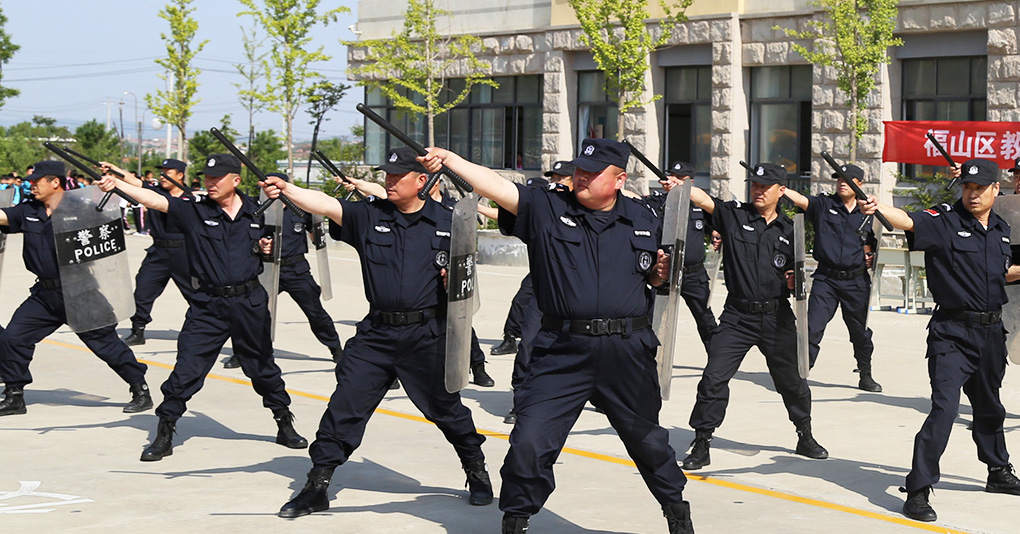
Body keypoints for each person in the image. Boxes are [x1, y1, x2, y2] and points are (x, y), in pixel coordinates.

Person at [421, 139, 694, 534]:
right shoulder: (549, 207)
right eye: (579, 169)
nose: (580, 176)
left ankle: (677, 513)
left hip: (626, 351)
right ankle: (516, 520)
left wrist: (660, 275)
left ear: (619, 179)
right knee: (530, 444)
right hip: (561, 351)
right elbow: (497, 187)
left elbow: (651, 275)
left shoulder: (644, 217)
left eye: (592, 172)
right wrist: (452, 159)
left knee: (649, 443)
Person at [269, 147, 492, 519]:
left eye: (396, 176)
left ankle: (476, 469)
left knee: (445, 410)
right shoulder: (368, 216)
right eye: (386, 176)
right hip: (376, 335)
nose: (388, 182)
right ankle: (318, 484)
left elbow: (467, 287)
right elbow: (325, 204)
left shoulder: (450, 221)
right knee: (345, 408)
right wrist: (287, 188)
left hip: (427, 334)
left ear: (422, 181)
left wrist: (453, 282)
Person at [96, 154, 306, 462]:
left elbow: (269, 242)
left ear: (235, 180)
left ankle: (283, 422)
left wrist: (264, 248)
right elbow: (155, 201)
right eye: (206, 178)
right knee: (186, 370)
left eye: (217, 178)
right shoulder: (194, 211)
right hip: (208, 305)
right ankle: (165, 432)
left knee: (262, 367)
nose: (209, 183)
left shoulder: (257, 211)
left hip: (249, 302)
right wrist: (117, 185)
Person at [858, 158, 1020, 522]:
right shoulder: (945, 220)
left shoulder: (1001, 228)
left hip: (991, 332)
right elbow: (908, 220)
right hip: (952, 333)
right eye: (967, 187)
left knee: (990, 407)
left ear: (997, 189)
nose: (973, 193)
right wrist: (880, 207)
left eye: (980, 188)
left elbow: (1001, 273)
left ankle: (997, 471)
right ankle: (918, 489)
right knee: (944, 409)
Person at [680, 163, 827, 472]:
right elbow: (703, 200)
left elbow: (798, 273)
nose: (758, 191)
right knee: (713, 378)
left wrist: (793, 279)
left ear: (781, 191)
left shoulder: (791, 229)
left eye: (765, 186)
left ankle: (805, 434)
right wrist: (681, 185)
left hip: (777, 316)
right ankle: (702, 441)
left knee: (793, 380)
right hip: (738, 317)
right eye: (755, 185)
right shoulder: (734, 216)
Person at [0, 160, 152, 416]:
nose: (31, 185)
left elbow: (109, 216)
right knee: (14, 338)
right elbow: (3, 216)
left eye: (37, 181)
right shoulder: (29, 210)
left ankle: (140, 387)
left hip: (81, 292)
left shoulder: (81, 209)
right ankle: (15, 394)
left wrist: (106, 189)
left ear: (55, 182)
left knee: (106, 345)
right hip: (45, 295)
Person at [341, 174, 496, 388]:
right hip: (407, 282)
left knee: (462, 327)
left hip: (444, 288)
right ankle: (389, 371)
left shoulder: (452, 210)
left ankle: (477, 365)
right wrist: (359, 184)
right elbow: (381, 193)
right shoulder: (407, 206)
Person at [223, 172, 343, 368]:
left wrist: (318, 225)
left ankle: (336, 349)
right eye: (265, 187)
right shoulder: (255, 209)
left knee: (315, 312)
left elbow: (316, 237)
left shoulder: (300, 210)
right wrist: (257, 246)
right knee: (250, 313)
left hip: (296, 270)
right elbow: (241, 238)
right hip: (265, 268)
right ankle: (242, 352)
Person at [782, 163, 880, 391]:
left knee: (861, 332)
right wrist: (780, 188)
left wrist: (871, 255)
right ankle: (800, 375)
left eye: (848, 179)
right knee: (811, 328)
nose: (842, 183)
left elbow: (872, 242)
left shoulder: (868, 212)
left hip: (856, 281)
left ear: (860, 184)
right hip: (827, 279)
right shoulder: (824, 204)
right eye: (839, 179)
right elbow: (801, 200)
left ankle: (865, 374)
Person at [102, 159, 197, 347]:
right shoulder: (155, 191)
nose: (163, 176)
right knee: (143, 291)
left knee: (196, 295)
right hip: (159, 251)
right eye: (162, 172)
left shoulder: (192, 196)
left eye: (168, 173)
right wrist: (113, 169)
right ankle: (138, 330)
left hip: (184, 252)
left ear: (180, 175)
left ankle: (201, 331)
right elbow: (133, 181)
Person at [490, 163, 575, 357]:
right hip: (544, 274)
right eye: (553, 178)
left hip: (572, 285)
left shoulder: (581, 208)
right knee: (528, 330)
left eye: (561, 178)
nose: (555, 182)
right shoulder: (545, 205)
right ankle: (511, 341)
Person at [633, 161, 718, 353]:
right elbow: (632, 199)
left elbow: (718, 223)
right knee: (652, 318)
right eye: (671, 175)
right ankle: (645, 358)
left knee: (706, 319)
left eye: (679, 178)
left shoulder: (700, 204)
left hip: (693, 274)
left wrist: (717, 232)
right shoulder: (657, 202)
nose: (673, 180)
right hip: (663, 273)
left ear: (691, 182)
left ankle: (717, 360)